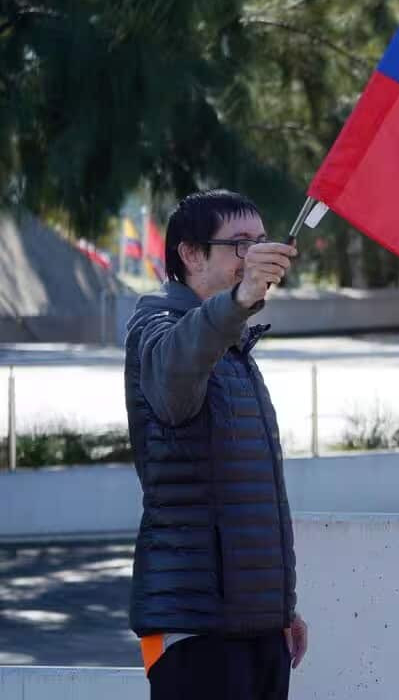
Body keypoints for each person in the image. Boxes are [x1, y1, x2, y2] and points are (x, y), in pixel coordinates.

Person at [123, 189, 307, 699]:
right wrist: (240, 300)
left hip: (255, 630)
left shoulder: (231, 346)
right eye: (239, 245)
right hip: (194, 632)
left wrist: (278, 610)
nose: (255, 257)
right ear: (190, 253)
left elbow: (245, 497)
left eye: (261, 242)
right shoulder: (158, 327)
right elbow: (173, 382)